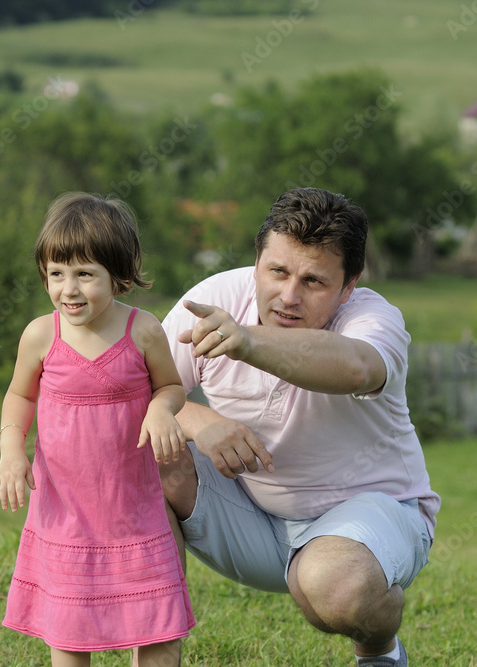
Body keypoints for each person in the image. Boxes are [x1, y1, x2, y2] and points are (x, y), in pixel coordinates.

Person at [160, 187, 439, 667]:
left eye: (313, 281)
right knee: (150, 450)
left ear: (349, 286)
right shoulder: (211, 301)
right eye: (278, 272)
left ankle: (380, 651)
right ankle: (159, 655)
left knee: (335, 587)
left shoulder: (374, 319)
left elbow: (356, 367)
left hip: (367, 516)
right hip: (248, 516)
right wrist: (196, 418)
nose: (288, 297)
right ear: (257, 261)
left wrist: (248, 340)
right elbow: (133, 396)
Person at [0, 192, 195, 667]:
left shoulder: (143, 331)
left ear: (119, 275)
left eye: (85, 274)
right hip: (65, 513)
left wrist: (160, 409)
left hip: (134, 510)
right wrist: (10, 451)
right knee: (69, 634)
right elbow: (19, 397)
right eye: (56, 273)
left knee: (159, 633)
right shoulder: (42, 335)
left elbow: (171, 387)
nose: (69, 289)